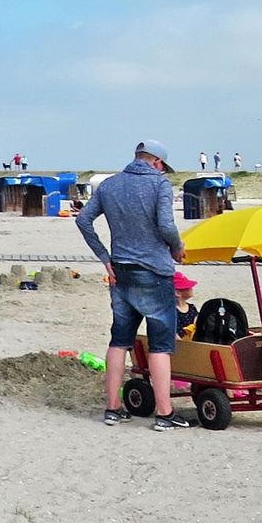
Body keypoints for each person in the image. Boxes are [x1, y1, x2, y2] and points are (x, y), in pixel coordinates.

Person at [76, 142, 189, 430]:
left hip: (120, 271)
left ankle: (112, 408)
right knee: (161, 345)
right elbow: (165, 225)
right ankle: (164, 413)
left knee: (119, 341)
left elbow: (83, 220)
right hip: (154, 271)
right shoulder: (160, 185)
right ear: (157, 162)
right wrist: (177, 247)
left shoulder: (110, 185)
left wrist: (105, 257)